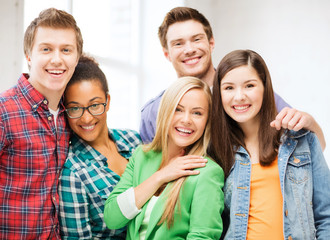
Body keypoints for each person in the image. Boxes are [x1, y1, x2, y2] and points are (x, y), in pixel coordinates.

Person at [139, 7, 326, 150]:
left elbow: (314, 147)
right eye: (178, 44)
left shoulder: (250, 96)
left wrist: (309, 121)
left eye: (196, 39)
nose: (189, 49)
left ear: (211, 43)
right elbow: (150, 170)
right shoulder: (153, 113)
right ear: (167, 54)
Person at [209, 49, 330, 239]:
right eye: (229, 88)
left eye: (249, 85)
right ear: (219, 94)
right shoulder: (214, 150)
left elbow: (326, 217)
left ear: (265, 88)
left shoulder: (301, 140)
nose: (239, 96)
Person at [104, 77, 224, 239]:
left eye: (197, 113)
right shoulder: (142, 156)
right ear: (166, 111)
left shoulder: (207, 172)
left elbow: (203, 236)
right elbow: (112, 218)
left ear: (206, 121)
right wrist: (160, 176)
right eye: (178, 109)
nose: (186, 120)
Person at [0, 8, 82, 239]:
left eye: (66, 50)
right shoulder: (4, 111)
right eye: (46, 49)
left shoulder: (71, 116)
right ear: (28, 55)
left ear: (76, 57)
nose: (57, 59)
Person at [58, 55, 142, 239]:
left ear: (108, 101)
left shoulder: (135, 140)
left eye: (95, 105)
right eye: (75, 108)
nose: (87, 118)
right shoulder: (73, 172)